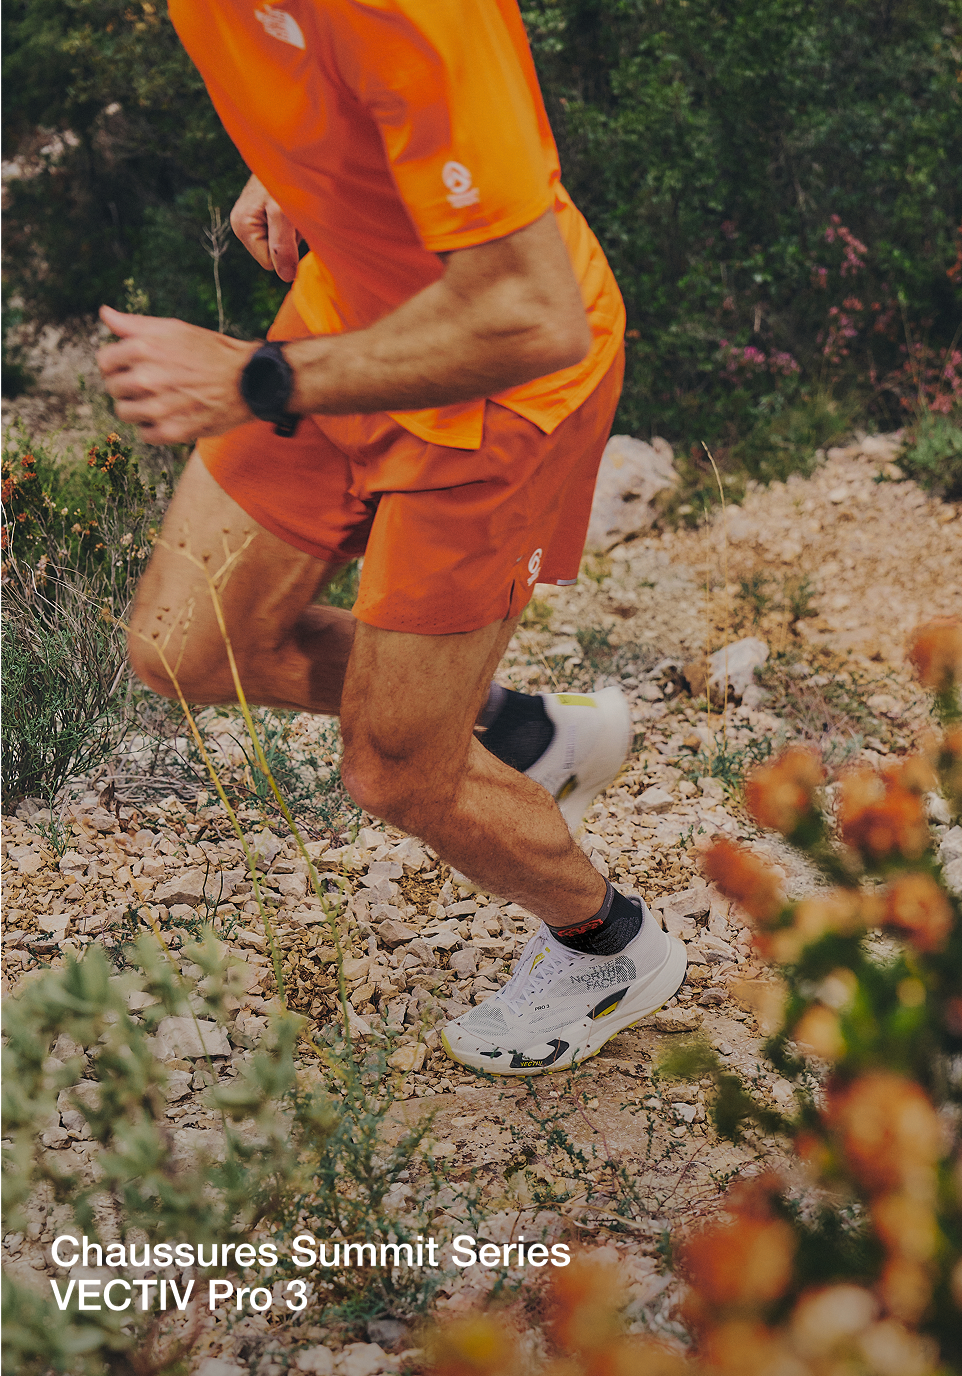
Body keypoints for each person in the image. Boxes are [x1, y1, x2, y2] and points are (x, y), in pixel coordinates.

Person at [97, 0, 686, 1075]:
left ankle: (606, 945)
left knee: (395, 769)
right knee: (186, 645)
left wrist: (251, 378)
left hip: (503, 376)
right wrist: (314, 160)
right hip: (354, 306)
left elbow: (530, 311)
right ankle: (521, 735)